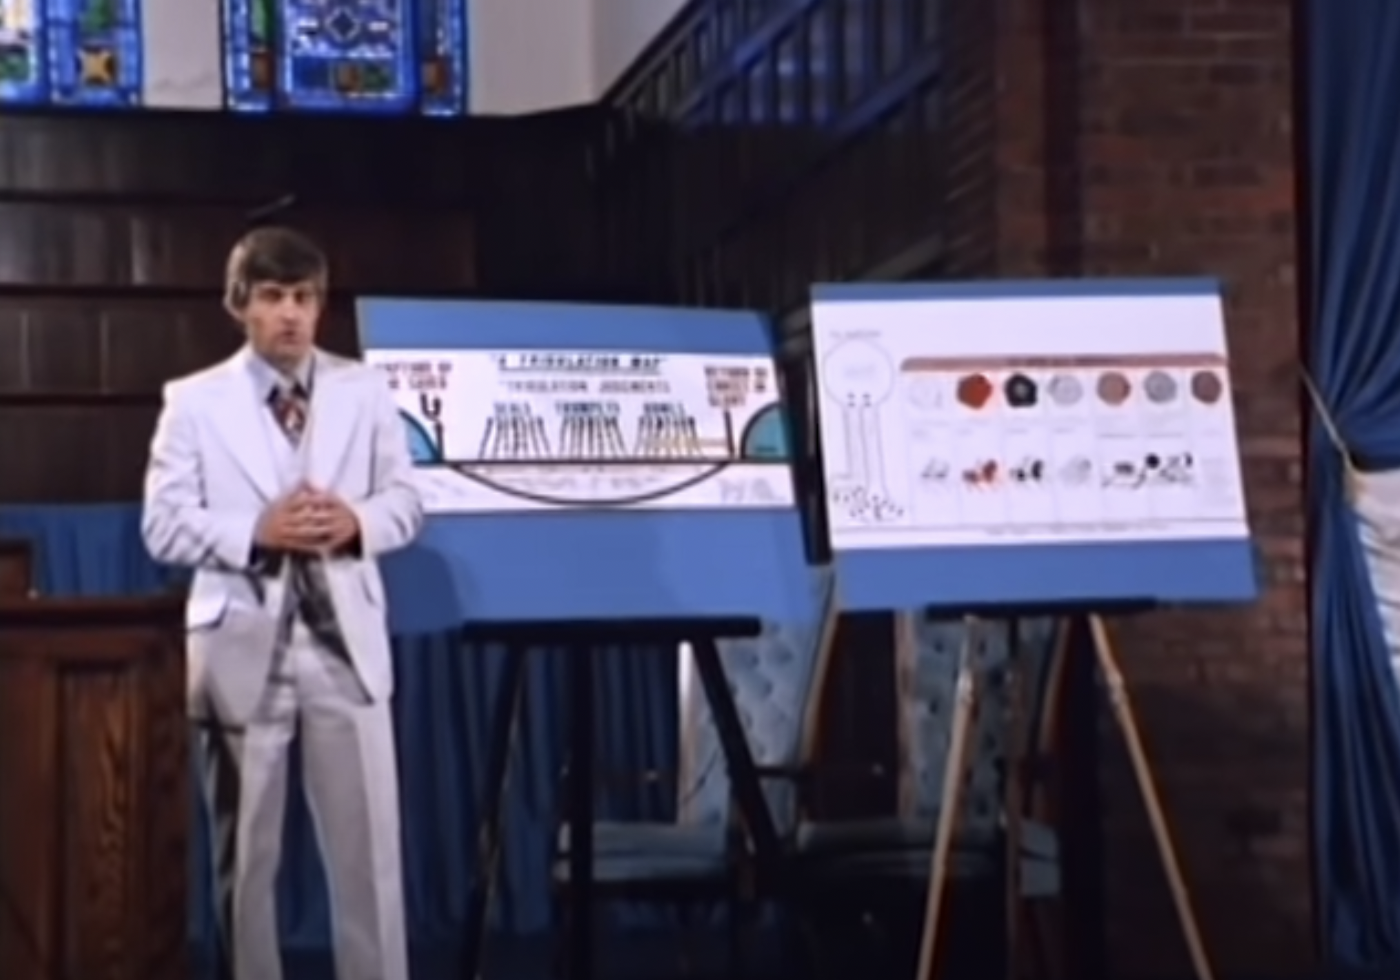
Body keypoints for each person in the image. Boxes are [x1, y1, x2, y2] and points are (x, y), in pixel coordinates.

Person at [140, 226, 422, 980]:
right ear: (240, 306)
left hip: (347, 653)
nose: (291, 314)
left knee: (371, 866)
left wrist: (358, 521)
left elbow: (407, 501)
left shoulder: (365, 391)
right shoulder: (193, 403)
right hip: (239, 651)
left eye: (304, 298)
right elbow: (162, 524)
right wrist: (253, 532)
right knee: (245, 868)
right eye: (273, 298)